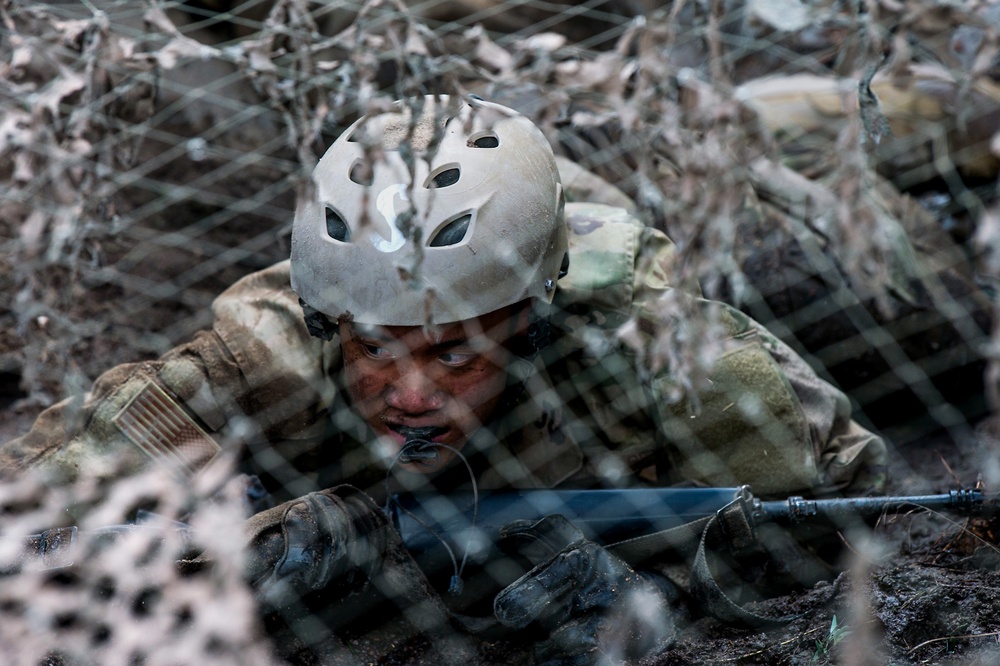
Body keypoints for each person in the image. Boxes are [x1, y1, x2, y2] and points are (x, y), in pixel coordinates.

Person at [0, 95, 887, 664]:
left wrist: (650, 595)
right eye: (375, 349)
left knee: (883, 284)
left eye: (456, 354)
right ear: (328, 325)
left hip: (641, 212)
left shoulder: (665, 354)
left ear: (529, 329)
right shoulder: (267, 347)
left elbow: (845, 513)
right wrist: (250, 534)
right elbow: (35, 499)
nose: (412, 394)